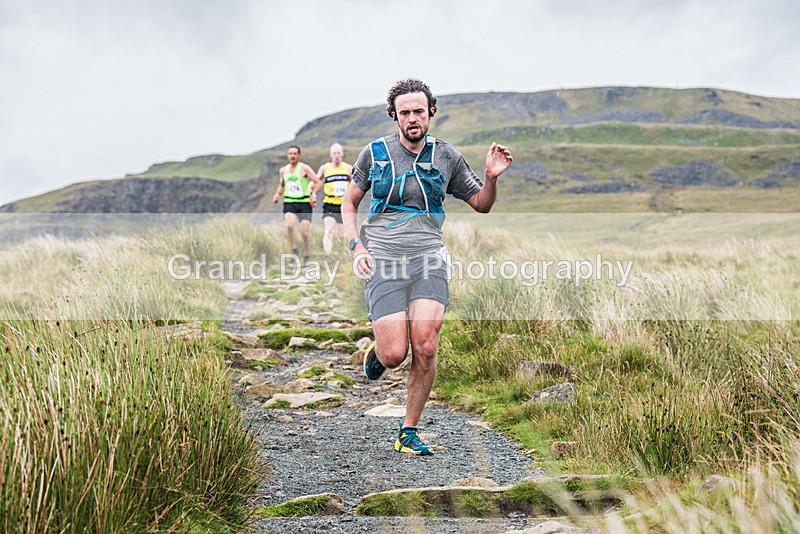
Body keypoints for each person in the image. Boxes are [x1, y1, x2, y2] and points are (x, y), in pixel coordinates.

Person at [341, 79, 512, 456]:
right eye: (405, 113)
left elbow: (481, 204)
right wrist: (356, 247)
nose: (413, 118)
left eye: (420, 111)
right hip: (383, 261)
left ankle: (408, 431)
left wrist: (490, 178)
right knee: (393, 355)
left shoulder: (447, 156)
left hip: (429, 260)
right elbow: (349, 204)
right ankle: (378, 353)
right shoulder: (374, 154)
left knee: (427, 346)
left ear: (431, 112)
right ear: (394, 116)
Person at [272, 145, 322, 264]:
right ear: (288, 155)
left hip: (304, 203)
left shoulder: (304, 168)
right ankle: (294, 249)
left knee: (304, 232)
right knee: (289, 225)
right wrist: (277, 194)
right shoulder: (283, 170)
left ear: (299, 155)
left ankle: (306, 255)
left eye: (295, 154)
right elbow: (282, 185)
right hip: (290, 202)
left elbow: (318, 182)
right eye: (290, 154)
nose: (292, 156)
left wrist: (313, 195)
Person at [316, 143, 353, 256]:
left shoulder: (347, 168)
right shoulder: (325, 168)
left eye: (338, 153)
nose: (336, 155)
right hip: (329, 203)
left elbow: (355, 184)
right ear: (331, 155)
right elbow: (315, 181)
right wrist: (311, 193)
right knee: (329, 229)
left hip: (343, 204)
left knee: (342, 233)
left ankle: (342, 253)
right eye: (334, 153)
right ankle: (328, 255)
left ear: (342, 154)